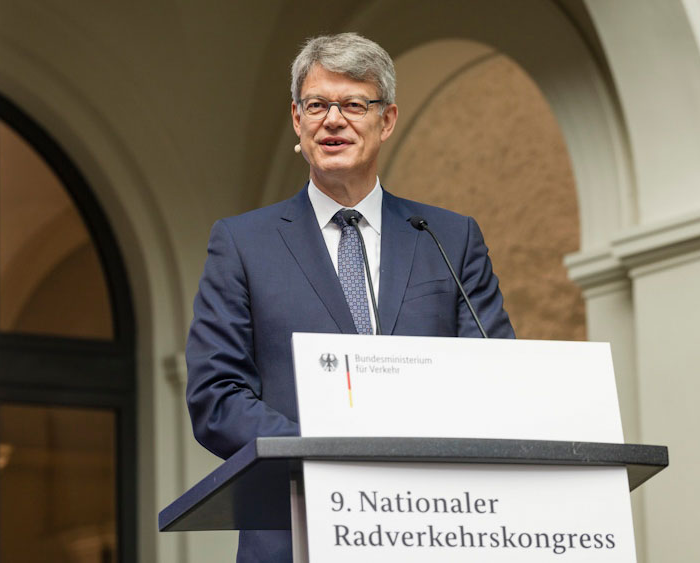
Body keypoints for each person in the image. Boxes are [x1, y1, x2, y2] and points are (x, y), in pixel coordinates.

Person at [185, 32, 515, 562]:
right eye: (317, 105)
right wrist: (331, 449)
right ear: (297, 120)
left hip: (434, 529)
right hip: (295, 533)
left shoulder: (449, 239)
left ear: (385, 121)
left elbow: (495, 378)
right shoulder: (242, 244)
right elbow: (216, 397)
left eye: (354, 104)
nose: (332, 120)